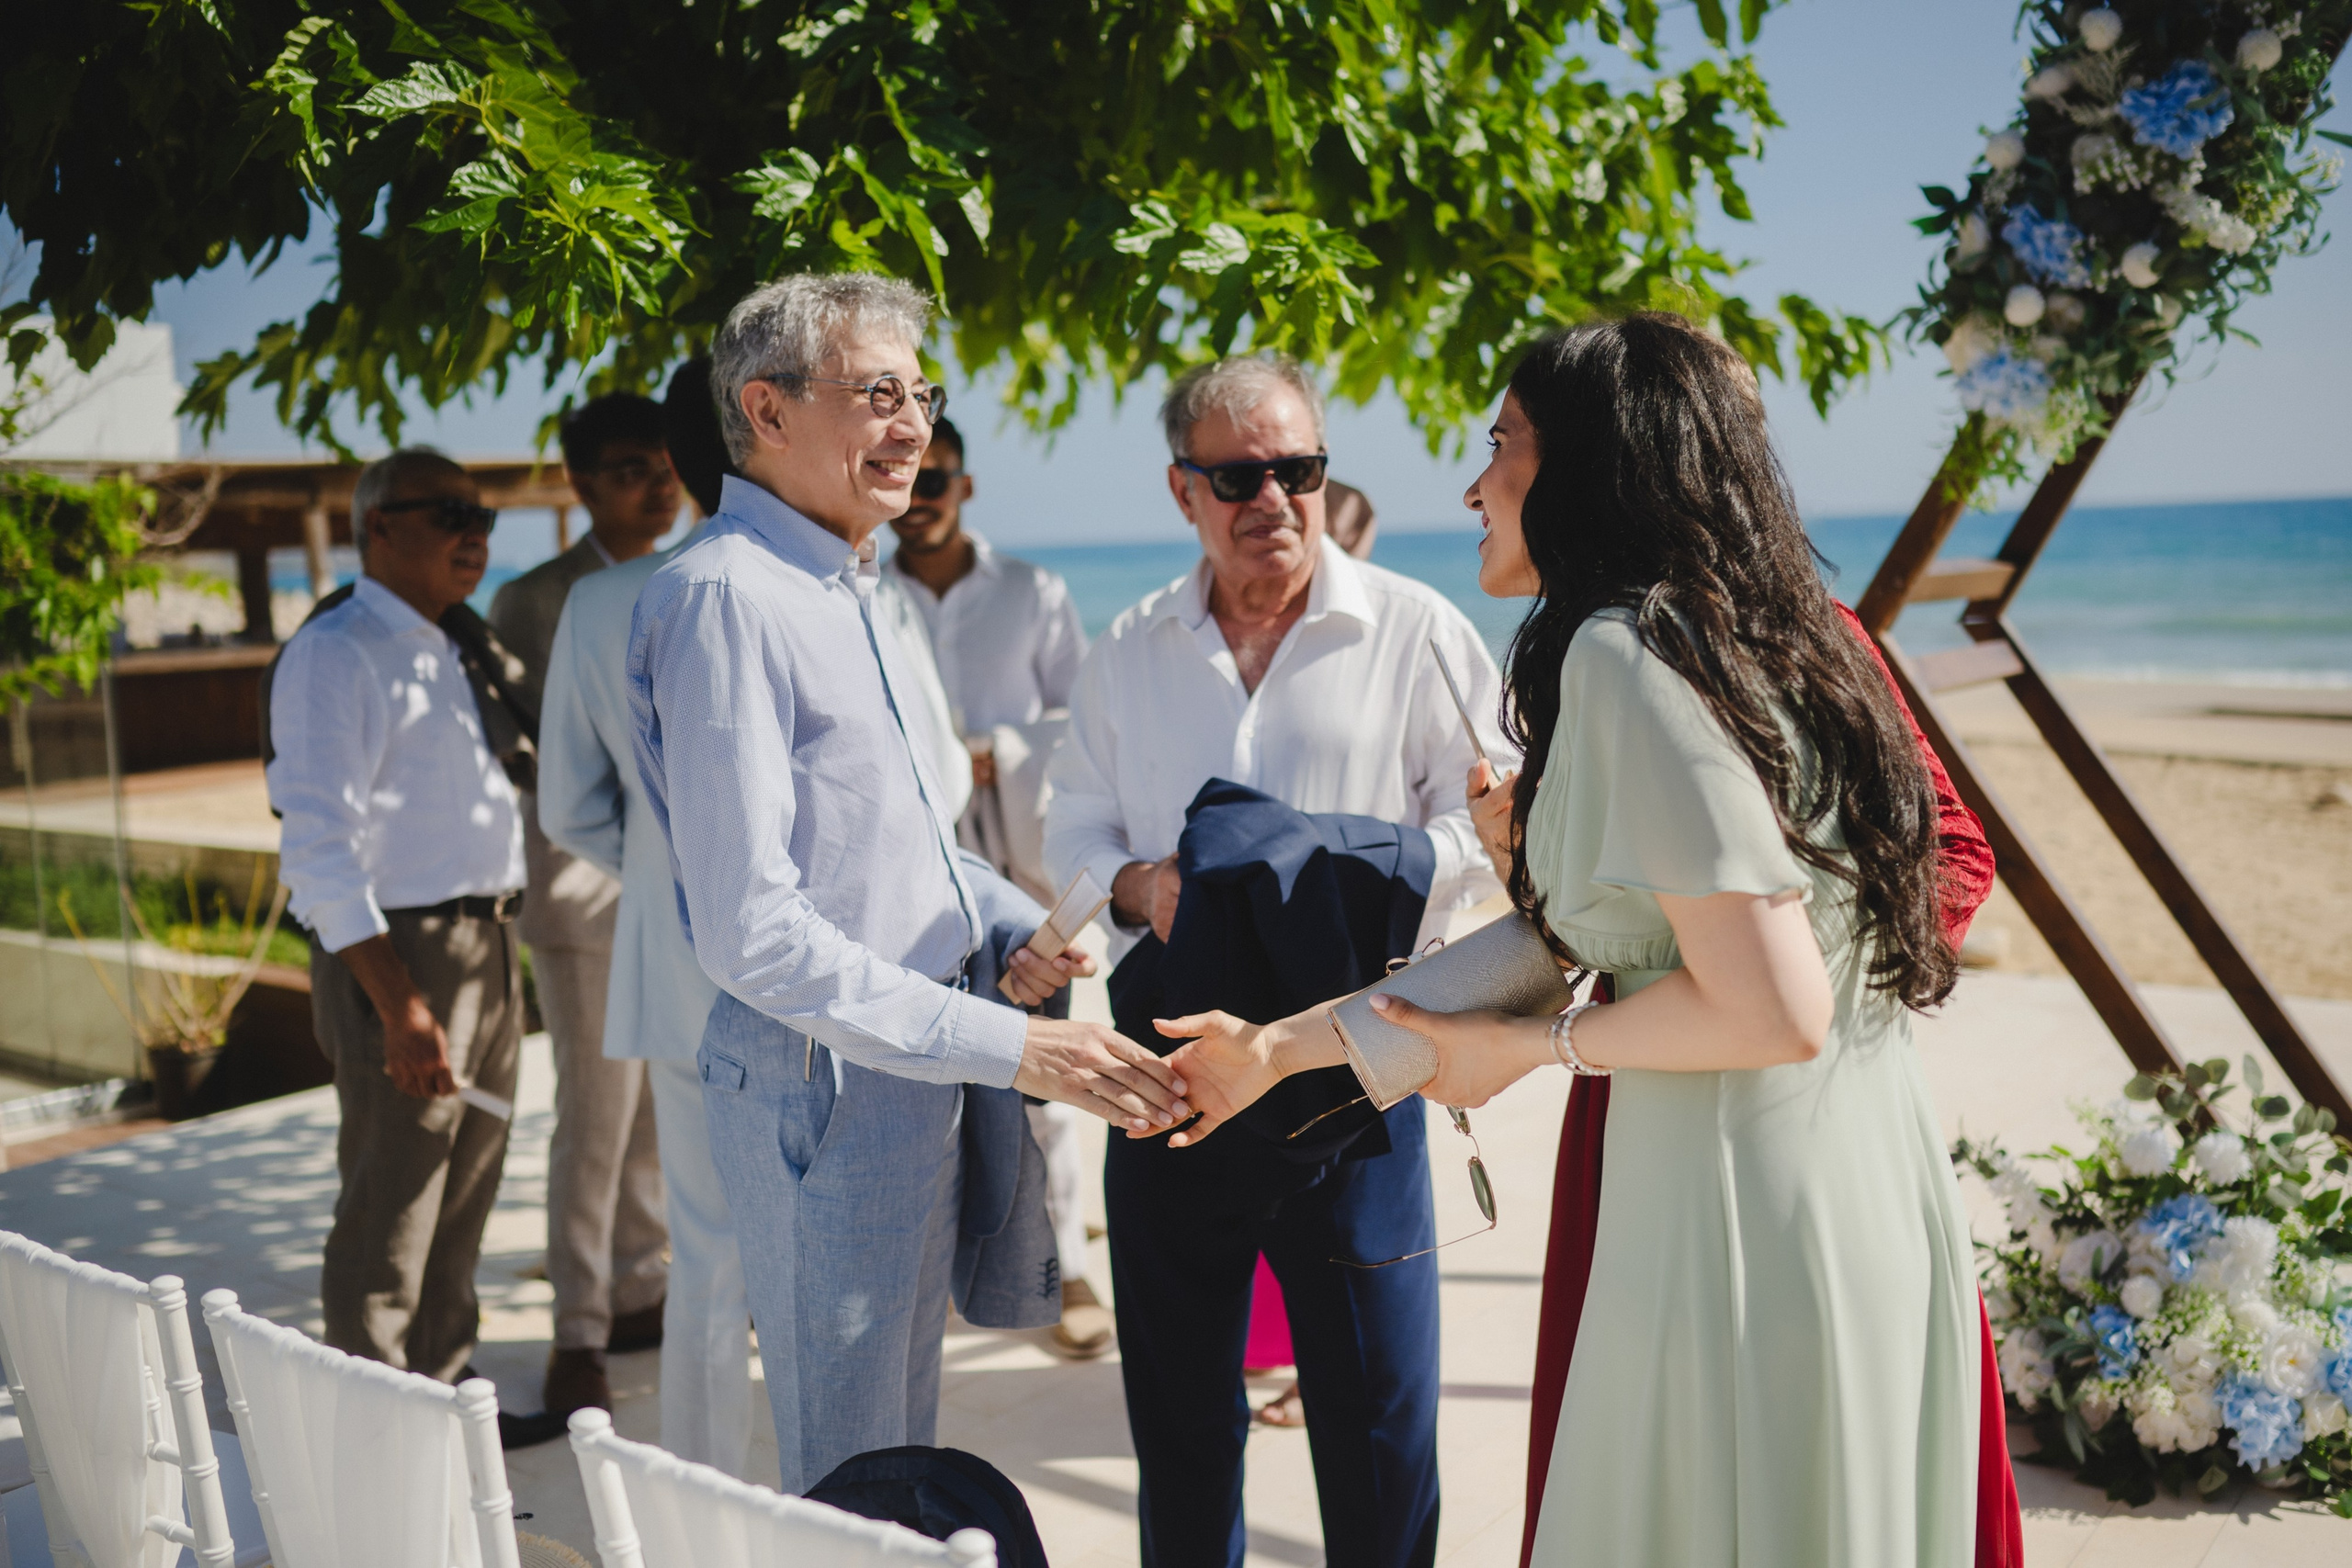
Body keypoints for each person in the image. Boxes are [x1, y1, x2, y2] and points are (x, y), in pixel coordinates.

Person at [1156, 314, 1988, 1566]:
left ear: (1593, 465)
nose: (1474, 481)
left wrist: (1540, 1048)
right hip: (1864, 1170)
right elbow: (1571, 944)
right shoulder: (1783, 634)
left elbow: (1771, 1004)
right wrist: (1276, 1050)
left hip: (1734, 1206)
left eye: (1501, 445)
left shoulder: (1625, 652)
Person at [626, 271, 1190, 1495]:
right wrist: (1016, 1046)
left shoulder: (855, 584)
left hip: (912, 1056)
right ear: (765, 412)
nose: (912, 424)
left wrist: (1003, 925)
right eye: (877, 393)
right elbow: (756, 933)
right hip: (825, 1077)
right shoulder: (727, 596)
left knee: (898, 1437)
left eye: (920, 392)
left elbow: (908, 841)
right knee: (853, 1469)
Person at [1043, 353, 1507, 1568]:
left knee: (1380, 1427)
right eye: (1239, 474)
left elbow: (1502, 836)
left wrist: (1341, 867)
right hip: (1168, 1080)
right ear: (1181, 487)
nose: (1274, 499)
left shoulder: (1420, 631)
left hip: (1352, 1066)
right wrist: (1142, 883)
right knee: (1181, 1433)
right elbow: (1072, 822)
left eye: (1298, 468)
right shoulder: (1132, 645)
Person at [266, 449, 526, 1394]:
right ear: (379, 526)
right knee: (392, 1209)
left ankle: (448, 1401)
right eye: (451, 513)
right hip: (403, 955)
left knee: (462, 1199)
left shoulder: (447, 642)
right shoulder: (336, 653)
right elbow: (318, 851)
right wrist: (400, 1007)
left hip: (485, 947)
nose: (477, 534)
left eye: (484, 516)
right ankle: (377, 1431)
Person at [536, 359, 752, 1474]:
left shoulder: (607, 599)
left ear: (680, 460)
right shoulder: (862, 590)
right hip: (843, 988)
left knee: (709, 1262)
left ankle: (708, 1510)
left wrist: (676, 877)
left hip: (678, 970)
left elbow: (570, 808)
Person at [883, 418, 1109, 1359]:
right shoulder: (861, 596)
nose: (923, 493)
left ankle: (1063, 1267)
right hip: (905, 876)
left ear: (965, 485)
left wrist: (996, 760)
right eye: (910, 475)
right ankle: (933, 1270)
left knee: (1042, 1070)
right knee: (918, 1068)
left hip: (1018, 873)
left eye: (938, 476)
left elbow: (1082, 722)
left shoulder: (1031, 591)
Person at [488, 393, 680, 1422]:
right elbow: (535, 765)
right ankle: (578, 1335)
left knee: (661, 1110)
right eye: (625, 468)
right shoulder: (534, 601)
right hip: (579, 889)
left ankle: (641, 1289)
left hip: (680, 895)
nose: (654, 482)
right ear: (579, 483)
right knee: (594, 1124)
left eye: (662, 461)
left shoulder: (701, 570)